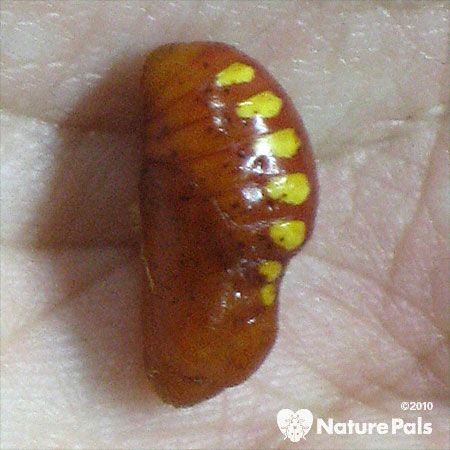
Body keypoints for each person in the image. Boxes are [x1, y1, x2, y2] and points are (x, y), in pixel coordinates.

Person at [1, 1, 448, 448]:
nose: (169, 379)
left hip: (225, 142)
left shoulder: (217, 298)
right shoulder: (211, 299)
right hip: (214, 120)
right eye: (182, 373)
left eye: (183, 374)